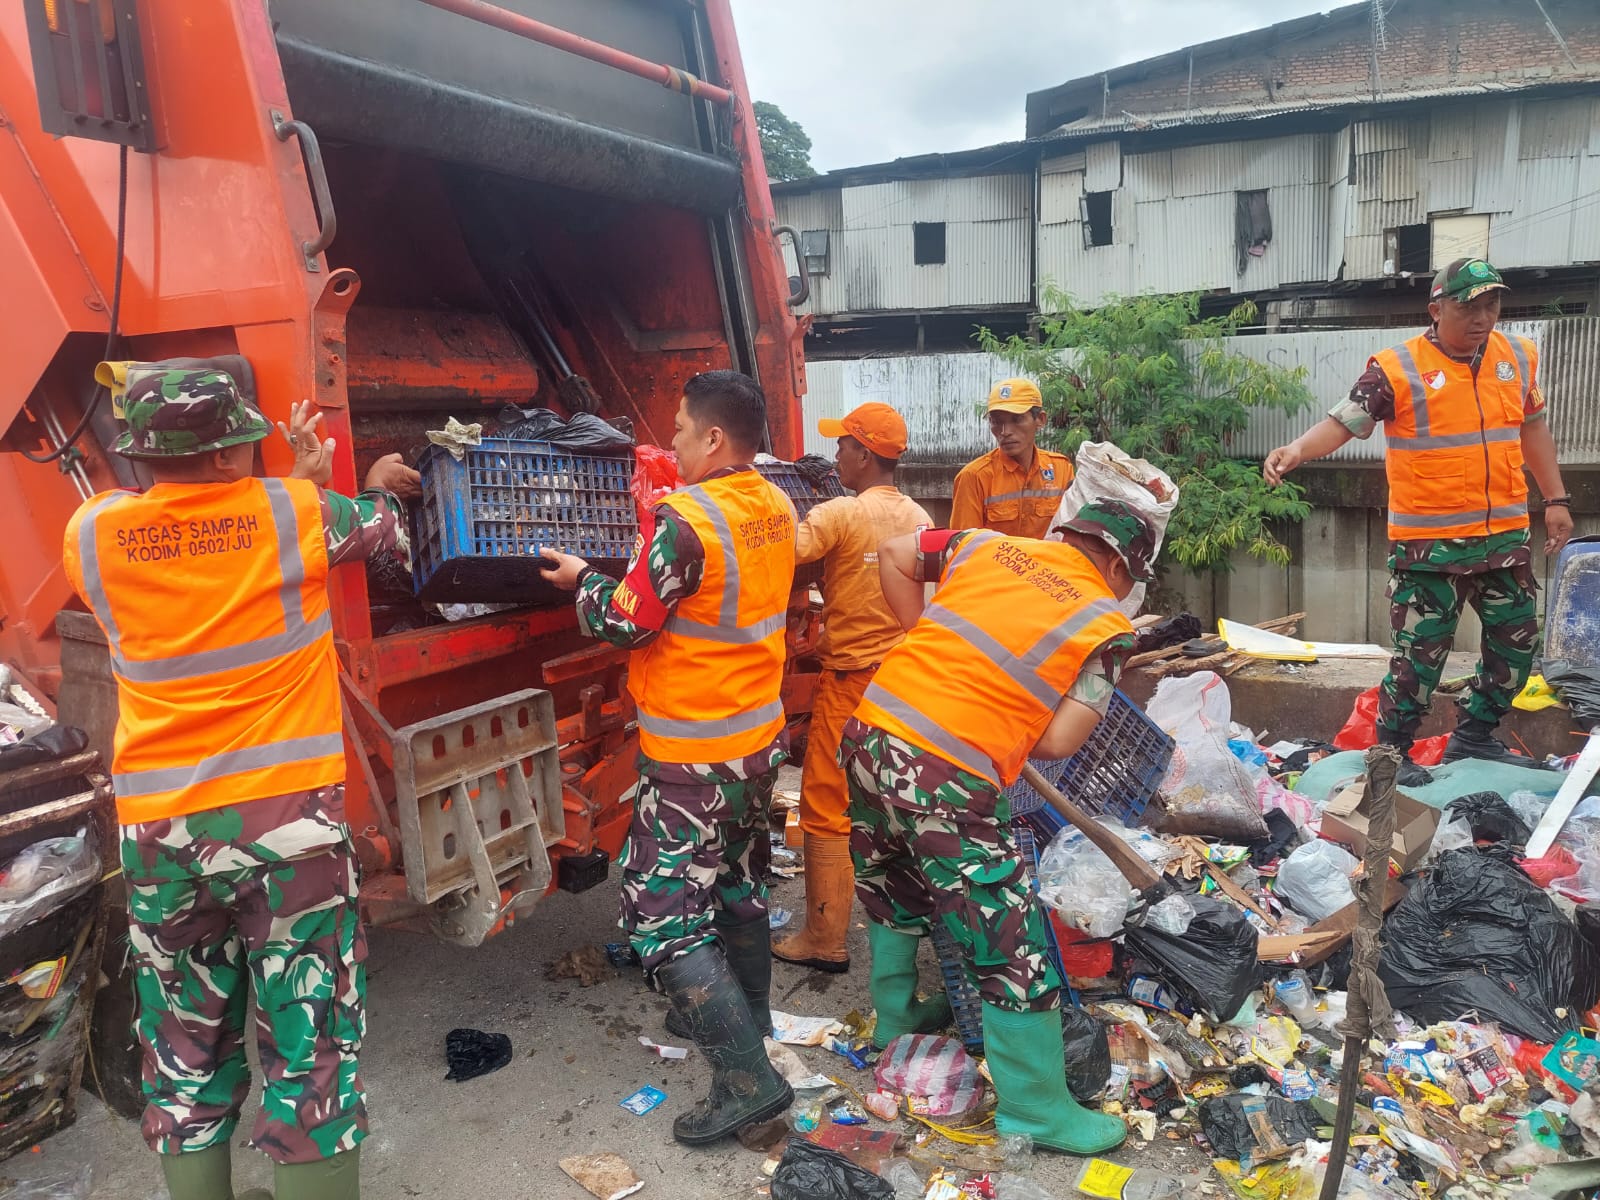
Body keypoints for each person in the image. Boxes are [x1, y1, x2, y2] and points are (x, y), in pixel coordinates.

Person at [61, 365, 420, 1200]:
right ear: (229, 453)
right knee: (309, 1047)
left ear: (141, 453)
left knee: (184, 1051)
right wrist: (358, 480)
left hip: (162, 837)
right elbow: (381, 529)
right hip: (287, 829)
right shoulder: (294, 513)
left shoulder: (93, 534)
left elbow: (191, 533)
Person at [841, 501, 1158, 1155]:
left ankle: (896, 1021)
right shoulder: (1107, 626)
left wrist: (922, 642)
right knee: (1010, 942)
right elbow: (1062, 740)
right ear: (1119, 567)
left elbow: (896, 554)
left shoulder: (984, 545)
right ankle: (1035, 1109)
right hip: (947, 770)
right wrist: (999, 710)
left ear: (1066, 535)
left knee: (893, 877)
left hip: (871, 733)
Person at [539, 370, 796, 1146]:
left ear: (713, 438)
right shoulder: (775, 503)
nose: (673, 441)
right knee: (739, 886)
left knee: (660, 922)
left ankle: (747, 1082)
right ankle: (750, 1022)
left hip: (693, 754)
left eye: (680, 428)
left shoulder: (686, 521)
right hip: (756, 744)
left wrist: (583, 581)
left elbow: (628, 623)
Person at [1264, 258, 1572, 787]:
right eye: (1468, 307)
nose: (1482, 317)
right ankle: (1392, 753)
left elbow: (1533, 429)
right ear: (1436, 309)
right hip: (1429, 549)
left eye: (1492, 304)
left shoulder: (1518, 356)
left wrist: (1557, 499)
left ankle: (1475, 735)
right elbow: (1344, 421)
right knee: (1418, 661)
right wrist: (1296, 450)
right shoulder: (1396, 368)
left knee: (1517, 648)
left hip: (1503, 541)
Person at [771, 403, 931, 974]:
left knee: (825, 804)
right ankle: (908, 932)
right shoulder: (918, 516)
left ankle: (823, 939)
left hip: (849, 683)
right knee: (891, 805)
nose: (836, 453)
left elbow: (780, 552)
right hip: (901, 681)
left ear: (864, 454)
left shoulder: (841, 513)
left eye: (842, 445)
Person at [948, 378, 1074, 538]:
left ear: (1040, 420)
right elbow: (965, 546)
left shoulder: (1061, 469)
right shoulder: (974, 477)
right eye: (996, 422)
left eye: (1017, 419)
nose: (1005, 431)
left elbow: (1073, 538)